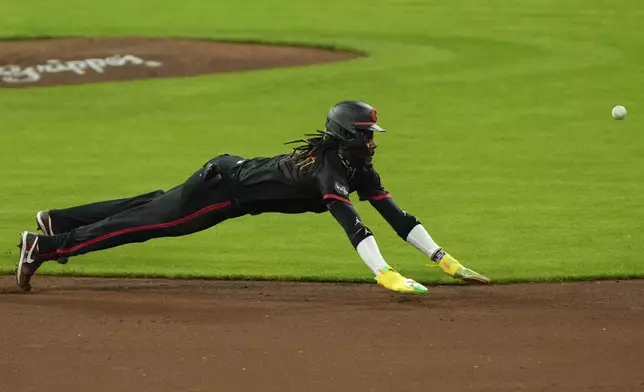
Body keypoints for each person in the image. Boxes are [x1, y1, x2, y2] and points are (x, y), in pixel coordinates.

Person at [15, 100, 489, 293]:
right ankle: (46, 246)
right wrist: (384, 274)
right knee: (152, 222)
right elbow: (355, 227)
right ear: (346, 135)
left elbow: (396, 216)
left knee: (153, 206)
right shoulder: (329, 172)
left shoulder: (356, 168)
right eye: (365, 134)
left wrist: (444, 259)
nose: (372, 141)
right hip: (222, 191)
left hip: (224, 175)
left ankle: (58, 220)